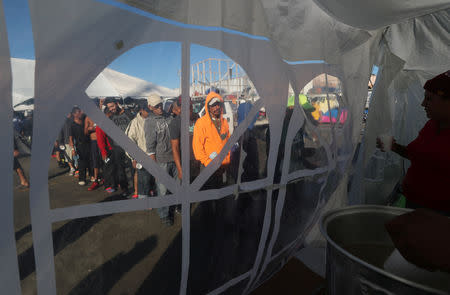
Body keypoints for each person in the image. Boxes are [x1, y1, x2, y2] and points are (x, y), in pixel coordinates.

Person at [377, 71, 450, 213]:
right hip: (415, 204)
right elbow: (416, 154)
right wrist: (394, 146)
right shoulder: (431, 126)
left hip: (440, 215)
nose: (423, 104)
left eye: (429, 99)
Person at [145, 94, 177, 225]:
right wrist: (155, 169)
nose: (159, 107)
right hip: (161, 160)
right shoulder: (149, 122)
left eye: (160, 104)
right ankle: (164, 214)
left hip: (175, 158)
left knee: (176, 186)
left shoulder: (169, 117)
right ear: (150, 106)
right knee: (162, 190)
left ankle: (176, 206)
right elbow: (150, 148)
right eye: (156, 106)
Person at [192, 91, 230, 188]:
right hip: (208, 167)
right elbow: (198, 149)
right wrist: (210, 163)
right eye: (213, 105)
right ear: (208, 107)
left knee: (221, 197)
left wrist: (227, 161)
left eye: (218, 104)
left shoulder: (224, 122)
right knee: (208, 198)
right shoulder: (201, 123)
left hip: (223, 167)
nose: (217, 107)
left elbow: (228, 143)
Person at [102, 97, 132, 196]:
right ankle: (125, 189)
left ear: (117, 103)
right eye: (109, 107)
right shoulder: (110, 118)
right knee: (120, 170)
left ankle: (137, 189)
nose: (111, 109)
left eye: (112, 106)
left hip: (130, 146)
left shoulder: (128, 114)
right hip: (117, 147)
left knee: (133, 168)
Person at [126, 100, 152, 199]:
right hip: (141, 155)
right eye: (147, 110)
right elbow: (129, 141)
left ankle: (150, 195)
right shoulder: (134, 123)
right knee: (143, 178)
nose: (149, 112)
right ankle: (143, 199)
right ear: (141, 110)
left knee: (152, 178)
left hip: (154, 155)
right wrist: (133, 157)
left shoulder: (152, 119)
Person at [69, 107, 90, 186]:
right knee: (81, 162)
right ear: (74, 114)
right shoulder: (72, 125)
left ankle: (93, 176)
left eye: (81, 111)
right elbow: (70, 138)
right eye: (79, 112)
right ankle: (82, 179)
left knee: (90, 160)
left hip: (88, 143)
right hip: (80, 145)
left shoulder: (85, 120)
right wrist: (73, 149)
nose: (81, 112)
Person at [84, 115, 102, 190]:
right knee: (95, 161)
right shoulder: (88, 118)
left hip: (103, 140)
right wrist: (90, 129)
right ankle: (96, 180)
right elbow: (85, 132)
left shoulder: (101, 115)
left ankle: (111, 180)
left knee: (106, 160)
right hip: (94, 141)